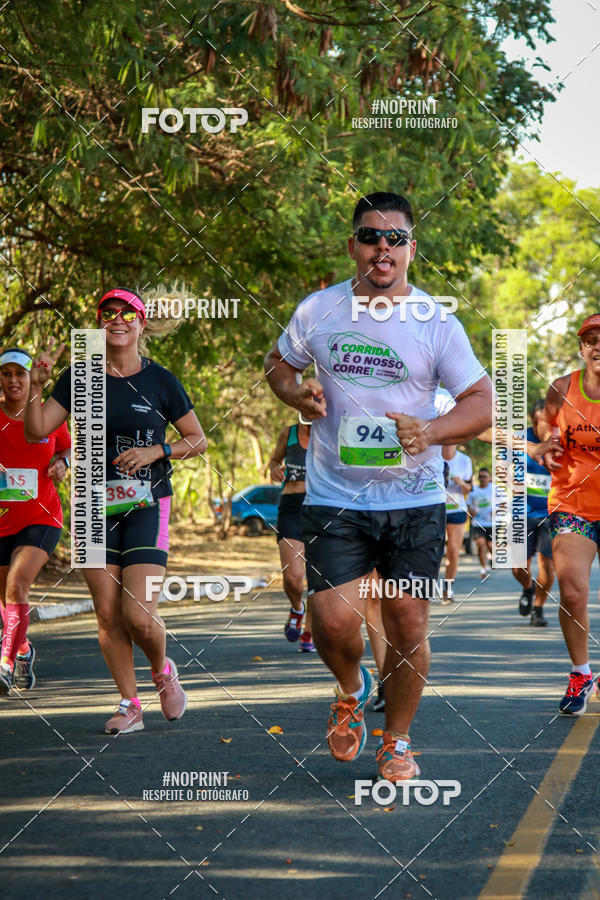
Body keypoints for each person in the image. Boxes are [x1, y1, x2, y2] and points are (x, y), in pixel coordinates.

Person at [264, 191, 492, 781]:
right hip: (335, 495)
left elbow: (483, 401)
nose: (382, 248)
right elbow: (278, 364)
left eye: (395, 239)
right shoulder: (319, 310)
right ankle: (350, 686)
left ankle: (397, 740)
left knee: (407, 622)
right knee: (333, 621)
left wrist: (433, 431)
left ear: (412, 249)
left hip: (414, 499)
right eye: (371, 236)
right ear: (353, 246)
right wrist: (294, 392)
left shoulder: (437, 322)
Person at [23, 287, 207, 733]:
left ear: (142, 324)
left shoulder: (161, 380)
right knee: (107, 613)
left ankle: (163, 670)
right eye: (108, 313)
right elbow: (36, 430)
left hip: (146, 502)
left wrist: (154, 452)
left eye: (128, 313)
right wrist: (37, 386)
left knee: (139, 616)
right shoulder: (80, 375)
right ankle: (129, 705)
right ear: (100, 324)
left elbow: (197, 440)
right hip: (91, 504)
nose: (117, 320)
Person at [536, 314, 600, 715]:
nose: (598, 346)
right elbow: (544, 420)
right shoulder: (563, 388)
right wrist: (548, 439)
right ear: (582, 348)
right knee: (573, 590)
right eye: (591, 339)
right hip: (572, 502)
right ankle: (581, 673)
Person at [0, 349, 71, 694]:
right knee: (4, 597)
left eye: (20, 373)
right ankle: (23, 649)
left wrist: (63, 464)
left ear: (31, 377)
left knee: (17, 584)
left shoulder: (49, 415)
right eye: (7, 373)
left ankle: (5, 664)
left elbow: (66, 448)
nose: (14, 380)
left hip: (42, 516)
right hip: (2, 520)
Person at [269, 418, 316, 652]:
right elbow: (274, 461)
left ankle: (309, 632)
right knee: (293, 577)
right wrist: (274, 468)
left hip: (320, 508)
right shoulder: (288, 433)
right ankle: (298, 608)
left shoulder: (331, 432)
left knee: (319, 580)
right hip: (291, 506)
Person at [513, 399, 555, 627]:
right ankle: (528, 589)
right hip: (522, 512)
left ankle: (538, 609)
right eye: (541, 423)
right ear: (532, 420)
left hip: (552, 513)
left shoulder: (560, 440)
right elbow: (502, 464)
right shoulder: (519, 439)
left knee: (548, 566)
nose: (545, 428)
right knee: (517, 566)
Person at [442, 444, 472, 603]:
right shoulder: (433, 455)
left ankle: (448, 588)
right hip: (435, 509)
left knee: (453, 551)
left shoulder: (464, 460)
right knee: (432, 550)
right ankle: (424, 589)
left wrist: (461, 483)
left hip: (457, 510)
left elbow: (469, 489)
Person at [468, 468, 493, 578]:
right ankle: (483, 567)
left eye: (485, 476)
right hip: (478, 522)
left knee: (491, 546)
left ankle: (492, 559)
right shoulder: (474, 490)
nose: (482, 479)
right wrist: (471, 510)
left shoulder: (494, 489)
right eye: (480, 476)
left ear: (489, 478)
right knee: (481, 544)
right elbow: (468, 503)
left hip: (492, 523)